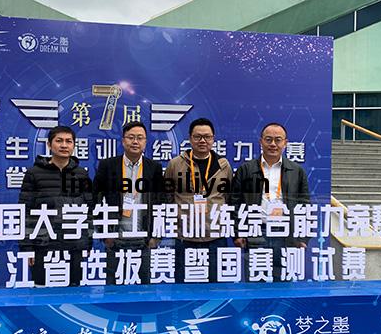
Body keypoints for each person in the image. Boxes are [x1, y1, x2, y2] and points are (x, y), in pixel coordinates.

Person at [231, 122, 310, 282]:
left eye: (278, 140)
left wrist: (303, 237)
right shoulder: (246, 170)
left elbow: (304, 204)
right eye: (268, 139)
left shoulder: (297, 171)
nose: (273, 144)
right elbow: (235, 202)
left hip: (286, 233)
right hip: (256, 231)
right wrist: (238, 233)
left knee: (284, 282)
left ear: (285, 143)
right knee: (256, 281)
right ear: (261, 142)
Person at [19, 126, 92, 287]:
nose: (64, 145)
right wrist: (27, 247)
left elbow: (88, 210)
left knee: (74, 291)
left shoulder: (81, 174)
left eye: (68, 141)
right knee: (42, 291)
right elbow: (25, 211)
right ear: (49, 144)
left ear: (74, 145)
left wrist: (87, 242)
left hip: (74, 244)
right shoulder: (34, 173)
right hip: (42, 244)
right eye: (59, 141)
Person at [93, 121, 164, 284]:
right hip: (115, 237)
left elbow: (161, 202)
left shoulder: (154, 167)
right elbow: (96, 198)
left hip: (143, 238)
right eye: (131, 137)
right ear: (123, 141)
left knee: (144, 287)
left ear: (145, 142)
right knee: (113, 286)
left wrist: (156, 236)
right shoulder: (108, 165)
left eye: (140, 138)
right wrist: (105, 234)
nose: (135, 142)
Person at [164, 118, 233, 283]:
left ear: (213, 139)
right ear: (190, 138)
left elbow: (228, 197)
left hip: (215, 237)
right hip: (185, 238)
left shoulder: (223, 165)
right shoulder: (175, 164)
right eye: (197, 137)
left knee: (216, 289)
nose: (202, 141)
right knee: (183, 290)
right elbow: (167, 196)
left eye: (207, 137)